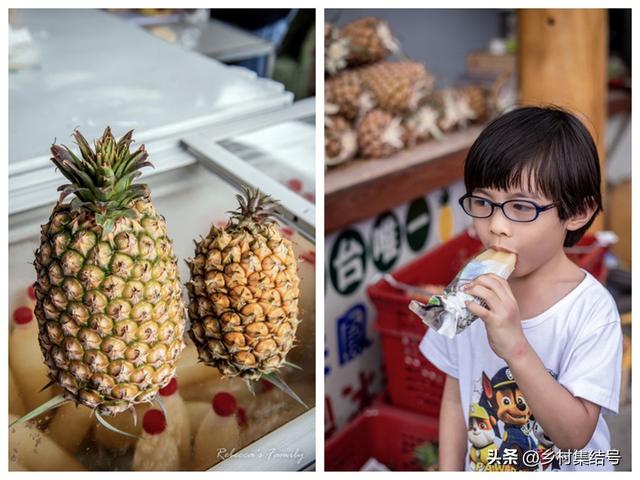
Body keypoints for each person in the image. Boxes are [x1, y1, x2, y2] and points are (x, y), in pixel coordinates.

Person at [419, 106, 623, 471]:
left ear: (577, 211)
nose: (496, 225)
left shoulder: (592, 311)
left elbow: (576, 435)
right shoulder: (471, 290)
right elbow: (456, 398)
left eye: (520, 207)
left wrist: (514, 347)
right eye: (483, 202)